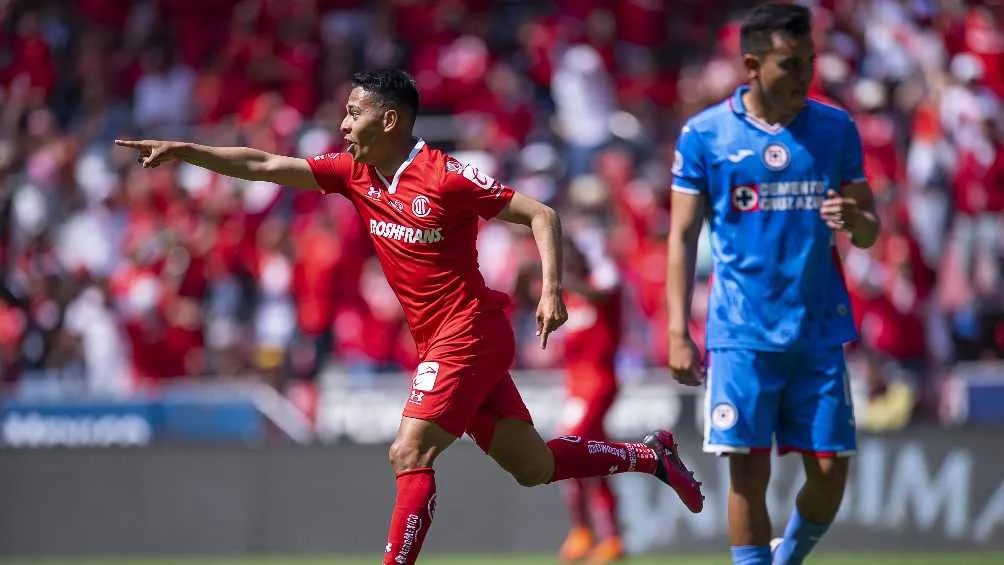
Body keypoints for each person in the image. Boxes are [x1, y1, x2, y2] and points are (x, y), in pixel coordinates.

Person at [116, 68, 703, 564]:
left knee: (408, 450)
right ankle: (649, 455)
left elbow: (541, 215)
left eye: (352, 114)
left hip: (469, 330)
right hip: (442, 342)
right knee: (534, 465)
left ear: (389, 120)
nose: (343, 126)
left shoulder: (445, 176)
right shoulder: (355, 174)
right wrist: (188, 152)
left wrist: (551, 292)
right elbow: (266, 164)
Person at [665, 5, 880, 565]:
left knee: (831, 472)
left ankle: (786, 558)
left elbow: (869, 228)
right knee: (748, 472)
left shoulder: (835, 129)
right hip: (741, 333)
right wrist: (676, 330)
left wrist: (854, 220)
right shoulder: (705, 135)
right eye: (791, 64)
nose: (805, 74)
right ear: (753, 65)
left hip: (818, 329)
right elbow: (683, 236)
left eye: (810, 61)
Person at [555, 237, 625, 564]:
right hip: (575, 389)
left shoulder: (599, 286)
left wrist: (562, 276)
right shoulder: (565, 298)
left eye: (568, 261)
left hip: (599, 384)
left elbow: (605, 292)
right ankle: (607, 537)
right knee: (593, 457)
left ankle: (584, 530)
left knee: (569, 446)